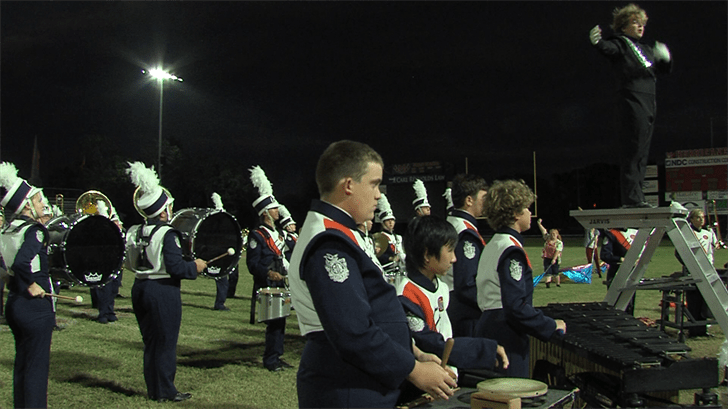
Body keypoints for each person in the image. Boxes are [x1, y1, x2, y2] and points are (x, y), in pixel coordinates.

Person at [289, 140, 456, 408]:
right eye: (374, 184)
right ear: (348, 185)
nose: (379, 195)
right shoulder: (328, 241)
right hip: (347, 386)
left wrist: (412, 352)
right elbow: (352, 332)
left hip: (358, 380)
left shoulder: (339, 232)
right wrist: (412, 370)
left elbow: (371, 313)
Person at [125, 161, 206, 403]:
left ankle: (154, 388)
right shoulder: (168, 234)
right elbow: (176, 268)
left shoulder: (134, 230)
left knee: (151, 342)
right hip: (162, 290)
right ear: (162, 211)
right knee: (166, 343)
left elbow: (129, 263)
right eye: (169, 206)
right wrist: (196, 267)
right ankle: (165, 391)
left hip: (139, 287)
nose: (171, 209)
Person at [396, 215, 508, 382]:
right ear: (427, 254)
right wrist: (484, 349)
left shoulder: (440, 286)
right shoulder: (406, 294)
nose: (454, 258)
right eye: (449, 251)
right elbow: (430, 343)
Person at [475, 179, 566, 378]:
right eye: (526, 208)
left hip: (490, 325)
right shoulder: (510, 250)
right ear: (516, 214)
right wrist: (550, 325)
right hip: (505, 332)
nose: (529, 214)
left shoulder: (493, 244)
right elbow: (515, 306)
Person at [589, 3, 672, 208]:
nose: (640, 26)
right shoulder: (621, 43)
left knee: (642, 152)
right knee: (632, 150)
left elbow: (660, 71)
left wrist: (665, 60)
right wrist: (597, 42)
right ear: (624, 26)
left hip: (648, 103)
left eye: (642, 23)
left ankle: (638, 197)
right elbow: (608, 49)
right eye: (635, 23)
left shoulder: (646, 48)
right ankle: (632, 199)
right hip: (631, 100)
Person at [0, 162, 55, 409]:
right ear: (27, 206)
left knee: (22, 366)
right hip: (33, 307)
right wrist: (31, 284)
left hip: (13, 303)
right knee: (36, 369)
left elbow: (5, 265)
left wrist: (11, 280)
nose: (43, 203)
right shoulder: (36, 231)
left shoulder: (8, 229)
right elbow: (23, 262)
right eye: (38, 199)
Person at [246, 165, 291, 372]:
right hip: (268, 282)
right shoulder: (257, 235)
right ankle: (270, 359)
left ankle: (277, 356)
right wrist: (267, 273)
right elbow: (252, 263)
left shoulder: (278, 234)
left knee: (281, 322)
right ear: (265, 213)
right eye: (274, 209)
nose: (277, 211)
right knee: (274, 322)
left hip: (280, 279)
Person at [446, 173, 488, 338]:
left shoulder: (452, 223)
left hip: (452, 306)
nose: (486, 203)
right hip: (465, 313)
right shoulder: (465, 232)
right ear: (469, 200)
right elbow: (467, 284)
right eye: (483, 197)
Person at [676, 209, 720, 337]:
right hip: (693, 272)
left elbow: (710, 252)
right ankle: (693, 330)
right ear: (692, 219)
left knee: (705, 301)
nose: (701, 220)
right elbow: (679, 253)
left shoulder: (708, 233)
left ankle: (702, 330)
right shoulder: (687, 233)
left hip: (706, 271)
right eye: (698, 218)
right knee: (694, 302)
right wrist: (689, 265)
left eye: (703, 218)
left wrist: (710, 266)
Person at [599, 227, 638, 315]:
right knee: (615, 305)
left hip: (632, 274)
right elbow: (605, 255)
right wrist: (621, 259)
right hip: (617, 273)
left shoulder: (635, 232)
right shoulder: (611, 234)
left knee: (629, 304)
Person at [375, 193, 405, 271]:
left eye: (392, 220)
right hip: (387, 268)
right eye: (388, 220)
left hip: (399, 268)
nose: (391, 223)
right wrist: (391, 258)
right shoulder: (380, 236)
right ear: (383, 222)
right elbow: (379, 255)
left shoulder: (398, 237)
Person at [537, 219, 563, 288]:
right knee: (547, 271)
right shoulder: (548, 239)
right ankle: (547, 284)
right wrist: (539, 224)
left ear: (557, 235)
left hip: (555, 259)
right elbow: (544, 231)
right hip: (547, 258)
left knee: (555, 272)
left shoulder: (559, 243)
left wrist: (554, 259)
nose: (552, 235)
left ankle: (558, 284)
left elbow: (557, 251)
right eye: (551, 234)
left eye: (554, 234)